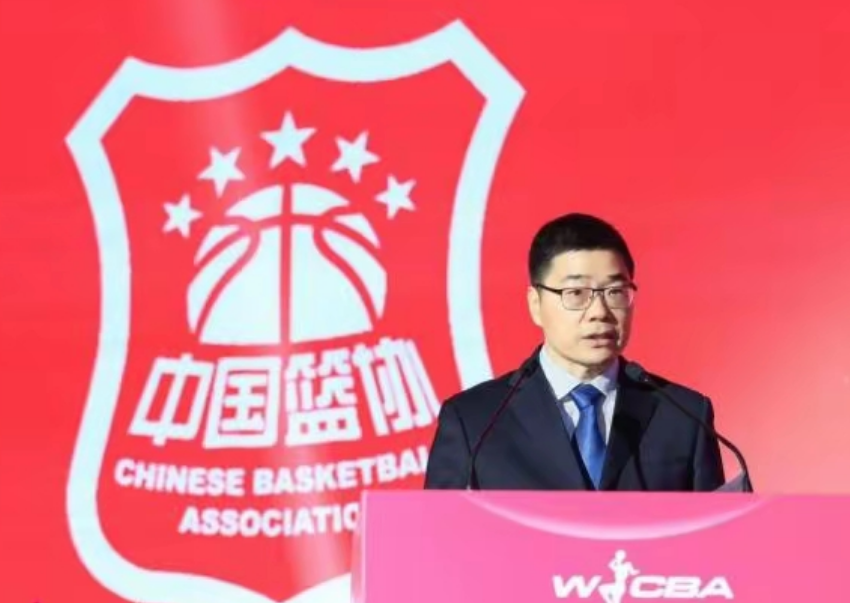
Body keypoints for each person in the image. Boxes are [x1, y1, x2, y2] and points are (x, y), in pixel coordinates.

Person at [423, 212, 725, 491]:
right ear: (536, 304)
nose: (599, 312)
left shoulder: (685, 416)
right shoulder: (474, 421)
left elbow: (713, 530)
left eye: (615, 292)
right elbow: (440, 529)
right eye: (577, 293)